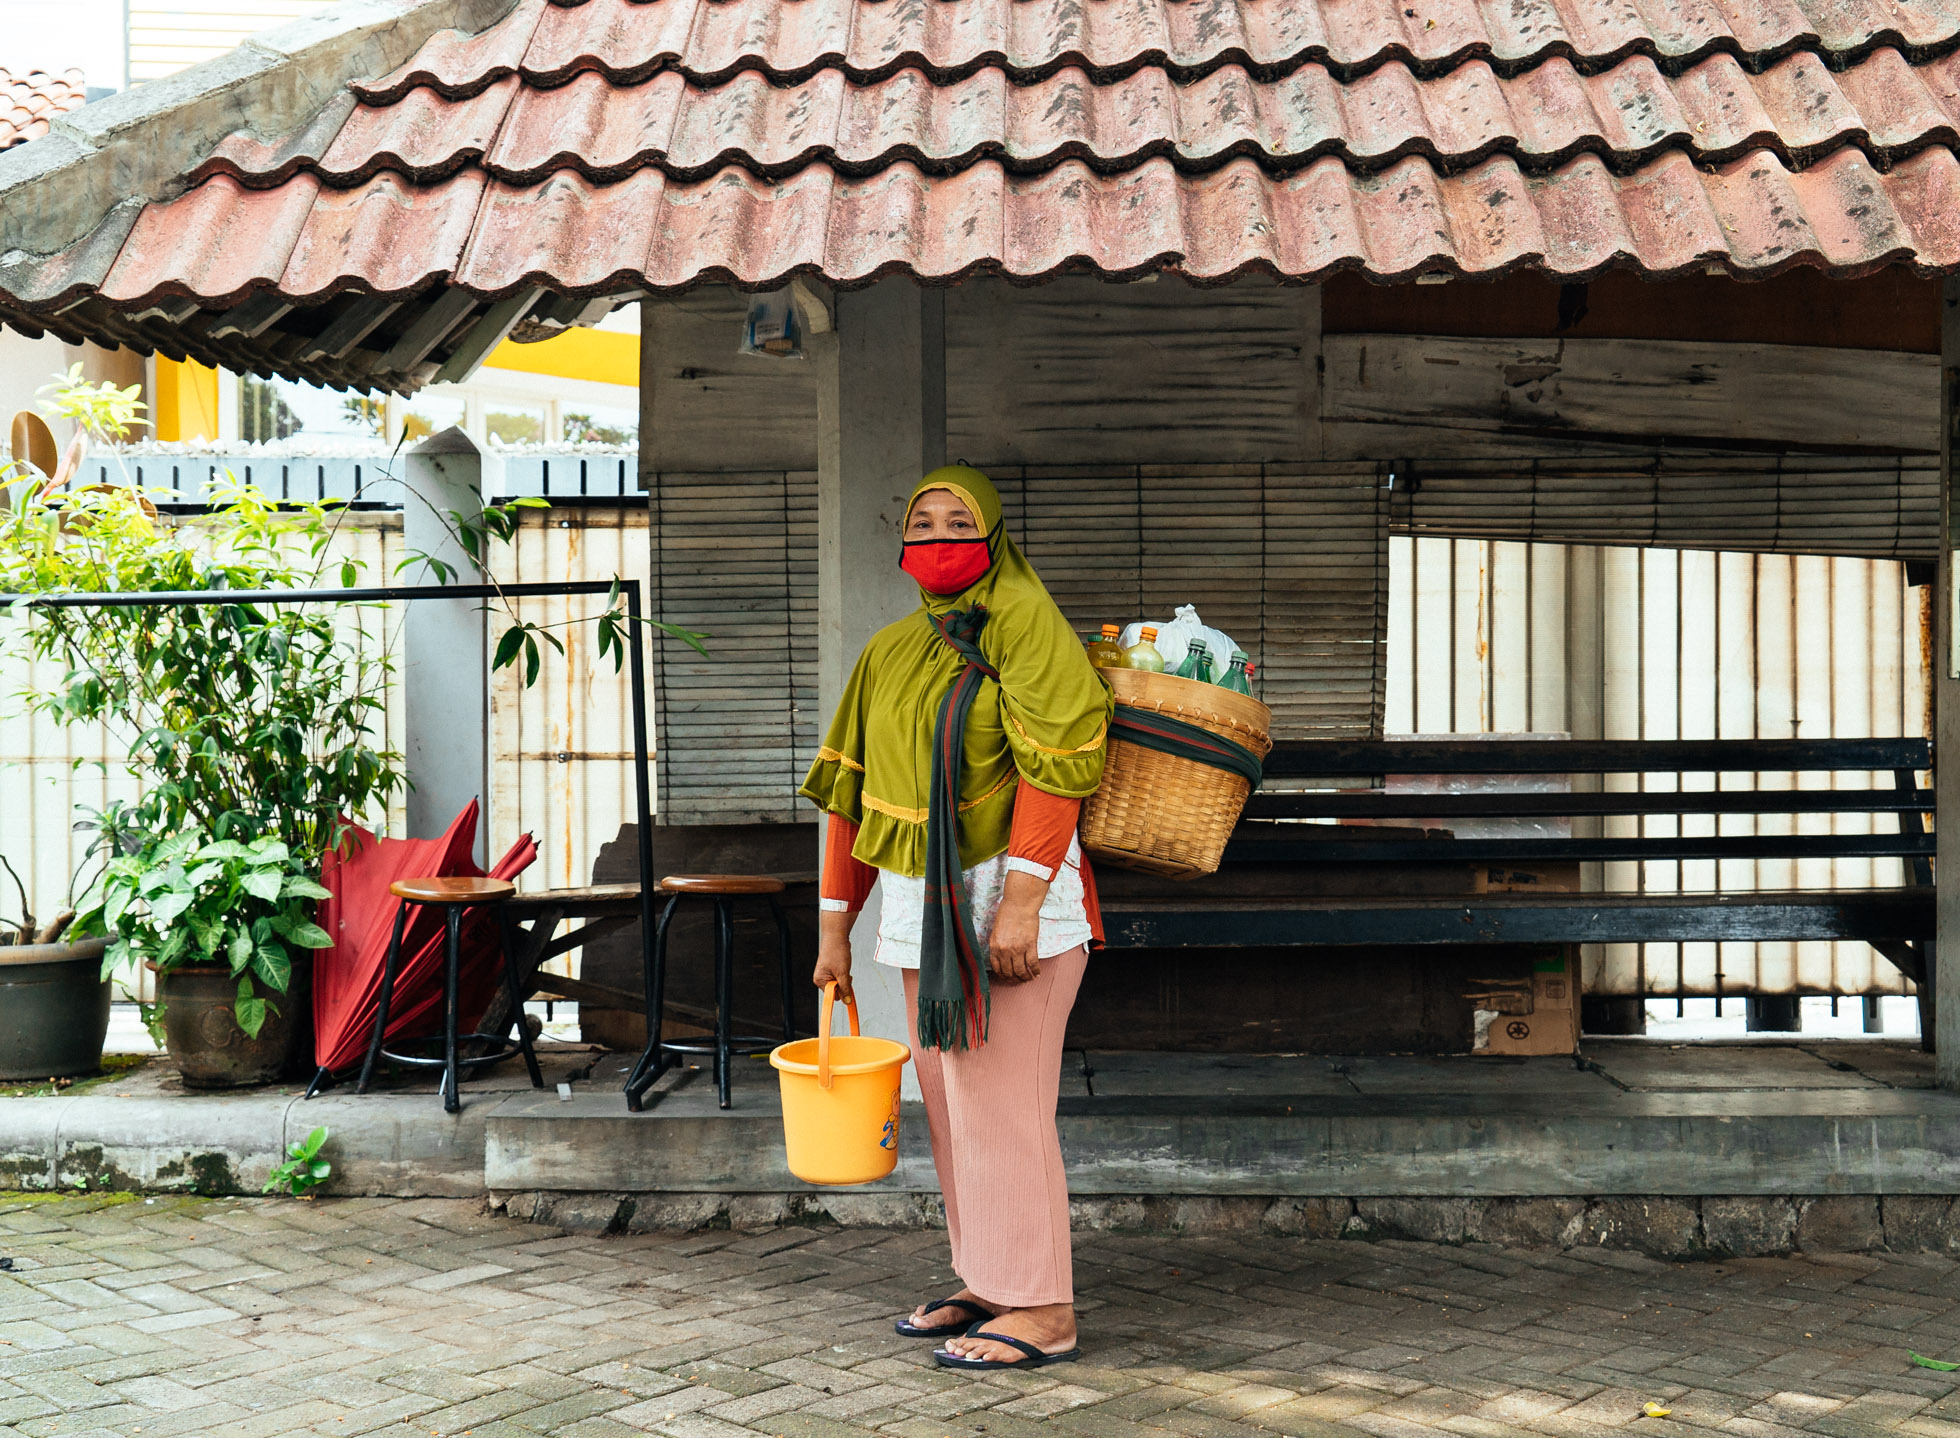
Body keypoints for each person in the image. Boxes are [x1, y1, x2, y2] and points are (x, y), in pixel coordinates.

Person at [800, 465, 1111, 1370]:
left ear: (995, 533)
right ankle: (988, 1279)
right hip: (920, 918)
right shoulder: (892, 652)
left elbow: (1059, 768)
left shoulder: (1025, 625)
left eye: (958, 520)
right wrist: (833, 929)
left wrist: (1016, 908)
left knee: (1006, 1110)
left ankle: (1044, 1307)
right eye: (922, 522)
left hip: (1018, 914)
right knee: (953, 1107)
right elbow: (848, 796)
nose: (938, 537)